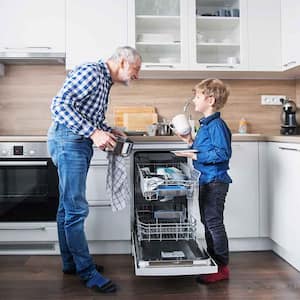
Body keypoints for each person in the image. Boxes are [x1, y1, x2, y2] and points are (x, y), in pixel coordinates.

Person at [47, 46, 142, 293]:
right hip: (69, 141)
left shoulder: (104, 80)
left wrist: (107, 129)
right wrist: (93, 132)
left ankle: (71, 264)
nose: (137, 75)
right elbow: (58, 106)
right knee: (76, 209)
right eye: (136, 69)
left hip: (74, 141)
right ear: (122, 62)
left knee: (66, 207)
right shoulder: (91, 72)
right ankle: (87, 272)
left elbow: (87, 114)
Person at [174, 78, 232, 283]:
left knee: (214, 224)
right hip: (207, 180)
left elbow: (222, 153)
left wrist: (193, 156)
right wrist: (189, 142)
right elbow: (206, 148)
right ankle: (214, 263)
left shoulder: (217, 125)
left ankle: (222, 267)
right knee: (208, 222)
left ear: (210, 99)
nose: (194, 99)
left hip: (215, 181)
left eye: (198, 96)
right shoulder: (207, 125)